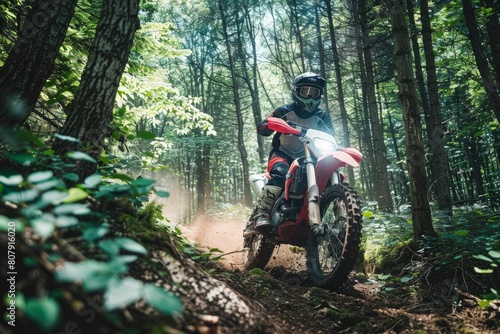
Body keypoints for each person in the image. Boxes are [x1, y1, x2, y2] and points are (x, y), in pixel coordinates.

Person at [243, 72, 334, 237]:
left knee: (327, 178)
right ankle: (261, 214)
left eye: (315, 93)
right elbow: (263, 128)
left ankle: (336, 219)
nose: (310, 97)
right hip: (283, 154)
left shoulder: (322, 116)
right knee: (280, 174)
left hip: (311, 158)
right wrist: (274, 124)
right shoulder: (285, 110)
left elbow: (331, 137)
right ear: (296, 91)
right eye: (305, 92)